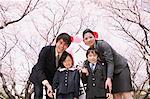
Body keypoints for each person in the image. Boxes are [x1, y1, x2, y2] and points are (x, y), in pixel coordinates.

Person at [82, 29, 133, 99]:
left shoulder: (103, 44)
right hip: (110, 73)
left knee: (126, 93)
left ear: (95, 37)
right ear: (84, 41)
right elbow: (87, 61)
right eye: (86, 38)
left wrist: (108, 78)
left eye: (90, 37)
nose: (89, 40)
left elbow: (110, 61)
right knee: (116, 95)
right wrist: (84, 68)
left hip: (120, 69)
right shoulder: (90, 51)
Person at [29, 33, 72, 99]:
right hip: (39, 74)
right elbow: (40, 67)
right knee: (38, 93)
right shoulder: (46, 50)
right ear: (56, 42)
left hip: (52, 78)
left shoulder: (66, 56)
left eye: (65, 45)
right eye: (60, 43)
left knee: (51, 95)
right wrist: (46, 83)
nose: (62, 46)